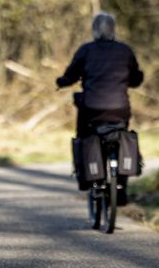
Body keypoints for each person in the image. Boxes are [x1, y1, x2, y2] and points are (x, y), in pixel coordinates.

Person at [56, 12, 144, 200]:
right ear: (114, 29)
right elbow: (136, 78)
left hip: (91, 110)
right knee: (121, 138)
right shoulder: (125, 50)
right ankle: (121, 188)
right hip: (120, 110)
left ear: (94, 29)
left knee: (83, 136)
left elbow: (70, 75)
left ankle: (85, 176)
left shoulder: (86, 50)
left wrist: (61, 82)